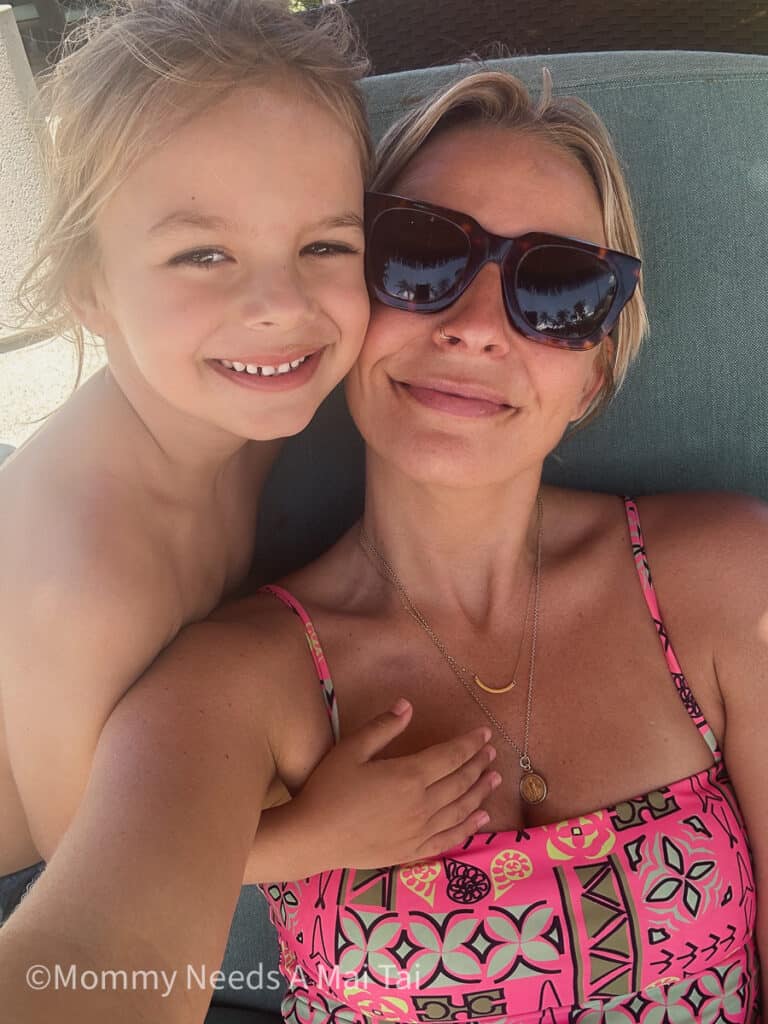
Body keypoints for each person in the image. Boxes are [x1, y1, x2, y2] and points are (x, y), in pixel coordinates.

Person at [2, 67, 766, 1024]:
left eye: (561, 286)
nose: (477, 327)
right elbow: (96, 949)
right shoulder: (234, 684)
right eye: (419, 256)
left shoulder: (731, 578)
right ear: (352, 299)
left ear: (600, 361)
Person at [0, 0, 492, 923]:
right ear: (90, 289)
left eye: (323, 245)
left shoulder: (245, 409)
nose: (279, 303)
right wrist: (328, 832)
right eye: (204, 253)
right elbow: (87, 857)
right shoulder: (85, 574)